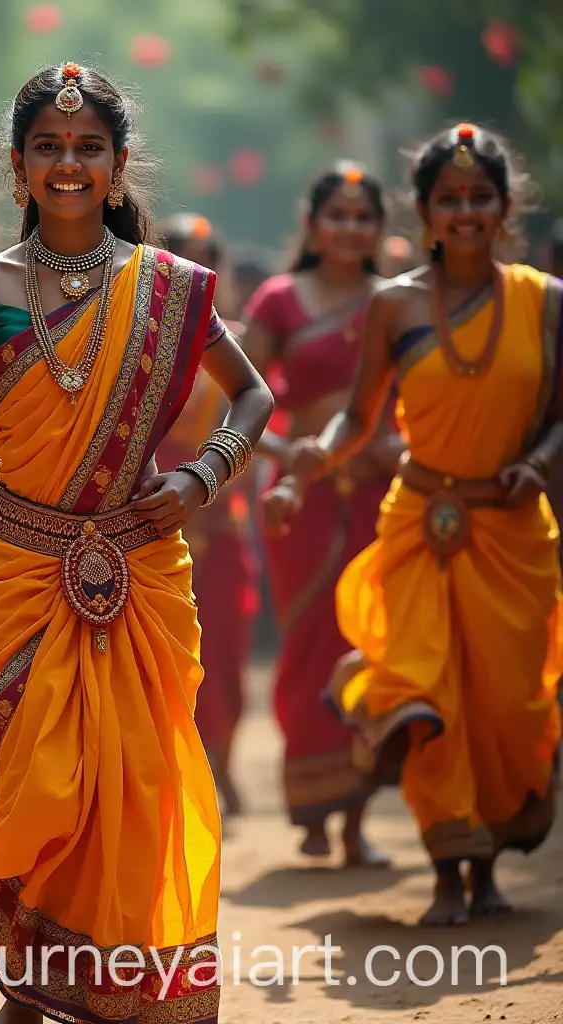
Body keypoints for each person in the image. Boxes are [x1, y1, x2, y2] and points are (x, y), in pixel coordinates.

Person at [0, 63, 273, 1024]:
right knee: (43, 785)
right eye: (48, 148)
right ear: (18, 166)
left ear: (116, 166)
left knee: (136, 783)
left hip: (141, 571)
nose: (69, 163)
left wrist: (202, 476)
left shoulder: (170, 287)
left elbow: (254, 393)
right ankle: (33, 985)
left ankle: (82, 990)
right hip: (22, 573)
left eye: (88, 148)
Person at [265, 123, 562, 925]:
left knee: (506, 706)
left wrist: (539, 462)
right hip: (418, 524)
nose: (465, 212)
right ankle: (446, 867)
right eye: (448, 200)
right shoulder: (395, 305)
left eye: (480, 199)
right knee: (430, 695)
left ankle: (490, 861)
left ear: (505, 209)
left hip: (513, 534)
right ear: (425, 214)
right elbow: (358, 421)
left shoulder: (545, 301)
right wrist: (305, 465)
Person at [240, 163, 402, 866]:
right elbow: (235, 400)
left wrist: (399, 449)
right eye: (337, 215)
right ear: (312, 225)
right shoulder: (280, 301)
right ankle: (312, 804)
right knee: (308, 647)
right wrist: (292, 450)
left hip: (379, 495)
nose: (349, 229)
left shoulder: (398, 303)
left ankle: (358, 815)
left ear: (380, 231)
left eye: (363, 217)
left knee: (369, 643)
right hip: (301, 497)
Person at [156, 212, 259, 816]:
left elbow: (256, 414)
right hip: (155, 521)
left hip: (221, 525)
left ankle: (224, 761)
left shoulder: (233, 344)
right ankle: (179, 768)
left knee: (227, 652)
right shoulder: (137, 339)